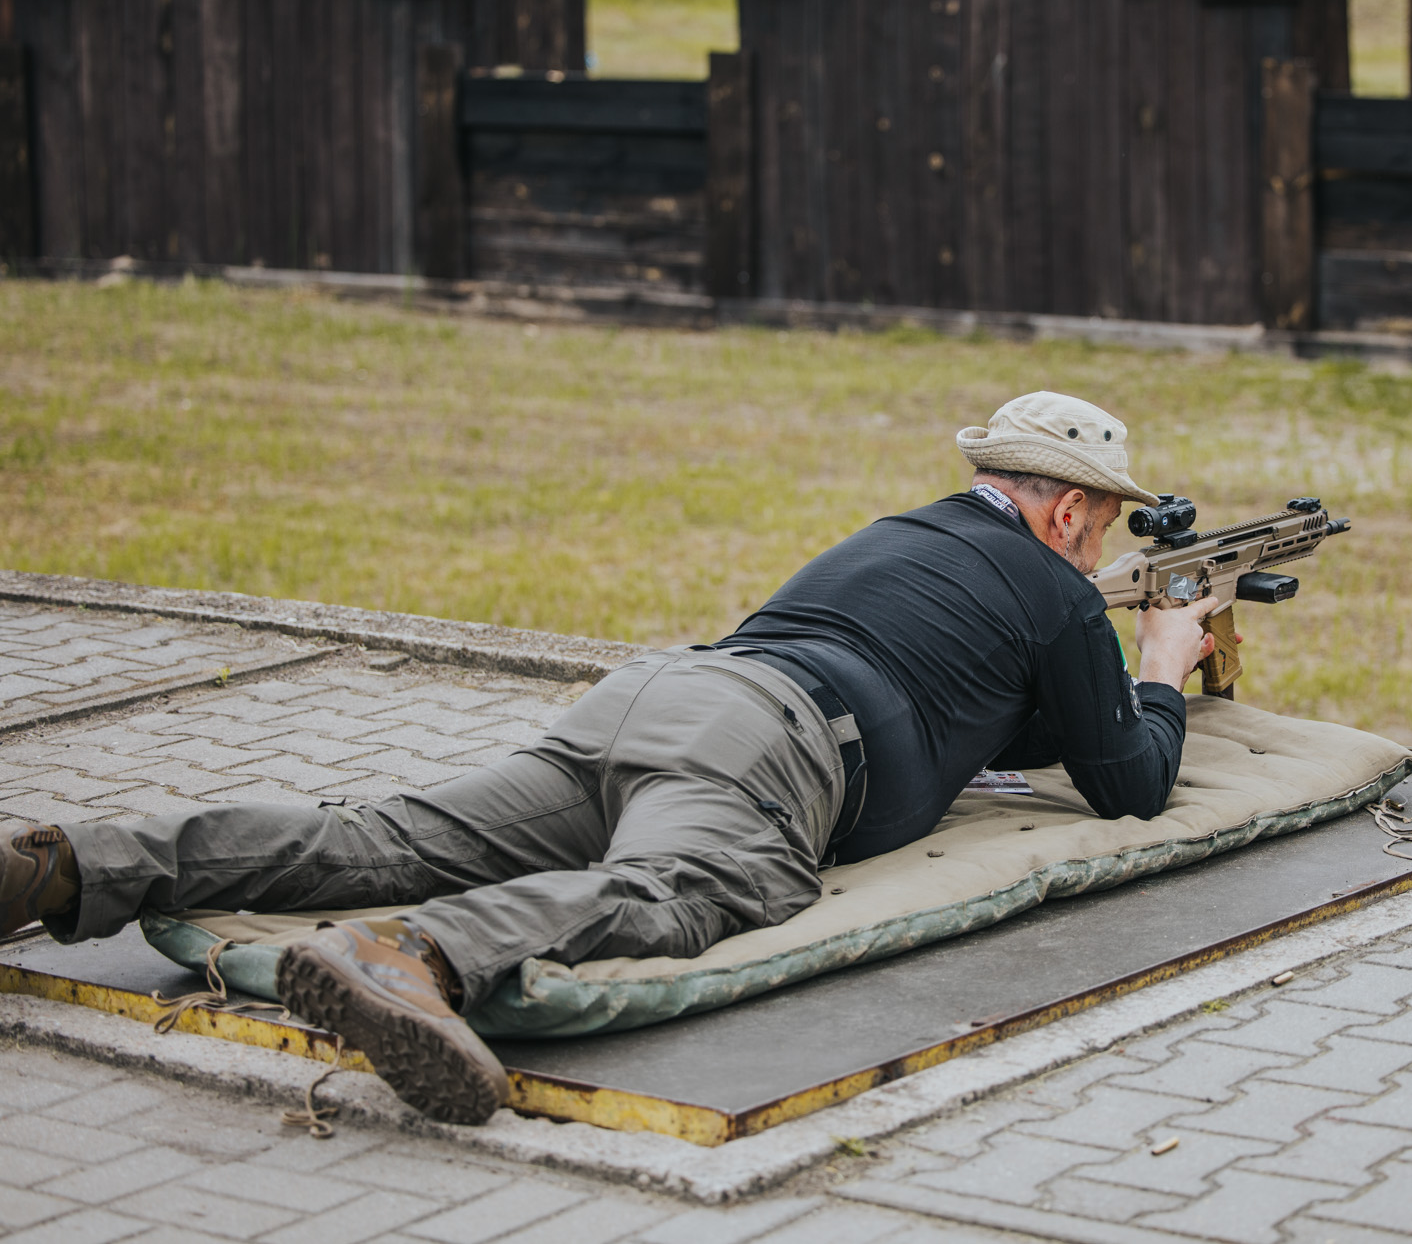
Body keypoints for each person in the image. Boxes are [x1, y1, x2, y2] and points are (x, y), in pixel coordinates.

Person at [0, 392, 1224, 1124]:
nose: (1095, 545)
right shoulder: (1061, 594)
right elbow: (1128, 783)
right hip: (774, 745)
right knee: (697, 886)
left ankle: (67, 865)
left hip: (647, 696)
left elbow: (988, 705)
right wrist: (1160, 655)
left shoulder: (900, 535)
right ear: (1068, 512)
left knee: (379, 832)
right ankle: (412, 953)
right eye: (1100, 524)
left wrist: (1090, 657)